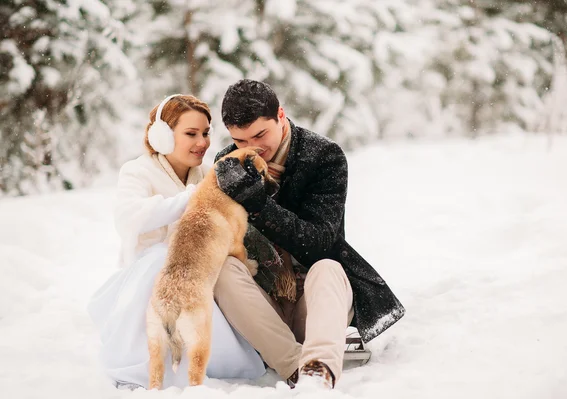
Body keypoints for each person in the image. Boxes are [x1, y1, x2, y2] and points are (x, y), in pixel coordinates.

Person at [212, 79, 405, 389]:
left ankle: (318, 373)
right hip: (261, 306)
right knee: (221, 269)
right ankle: (293, 368)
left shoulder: (324, 157)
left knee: (328, 268)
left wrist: (260, 205)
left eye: (260, 134)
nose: (252, 148)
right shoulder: (228, 162)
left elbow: (319, 243)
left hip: (317, 302)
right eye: (240, 140)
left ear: (281, 115)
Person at [87, 94, 265, 390]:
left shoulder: (207, 174)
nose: (202, 142)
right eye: (191, 134)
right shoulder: (137, 171)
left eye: (206, 133)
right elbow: (129, 218)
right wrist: (192, 198)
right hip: (144, 278)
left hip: (196, 279)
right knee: (161, 256)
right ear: (163, 136)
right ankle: (146, 361)